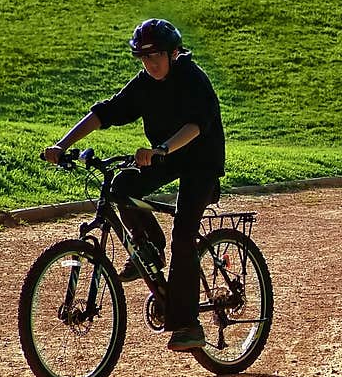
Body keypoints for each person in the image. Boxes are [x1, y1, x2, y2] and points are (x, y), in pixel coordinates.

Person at [43, 18, 225, 352]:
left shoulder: (193, 79)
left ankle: (188, 325)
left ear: (174, 53)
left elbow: (197, 126)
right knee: (120, 189)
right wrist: (62, 145)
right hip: (165, 156)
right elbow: (106, 112)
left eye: (156, 56)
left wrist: (161, 150)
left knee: (184, 234)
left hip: (201, 161)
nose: (149, 63)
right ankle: (150, 247)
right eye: (143, 57)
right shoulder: (145, 84)